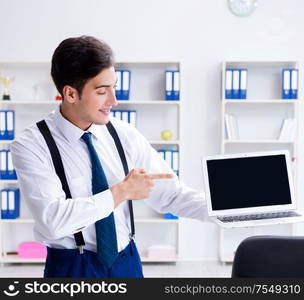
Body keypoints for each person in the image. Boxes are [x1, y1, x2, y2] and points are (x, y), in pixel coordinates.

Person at [10, 36, 209, 278]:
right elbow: (53, 221)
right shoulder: (31, 145)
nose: (114, 101)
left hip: (127, 262)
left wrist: (229, 209)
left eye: (113, 87)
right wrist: (121, 192)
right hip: (72, 268)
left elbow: (171, 194)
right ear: (70, 93)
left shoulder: (124, 134)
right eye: (102, 91)